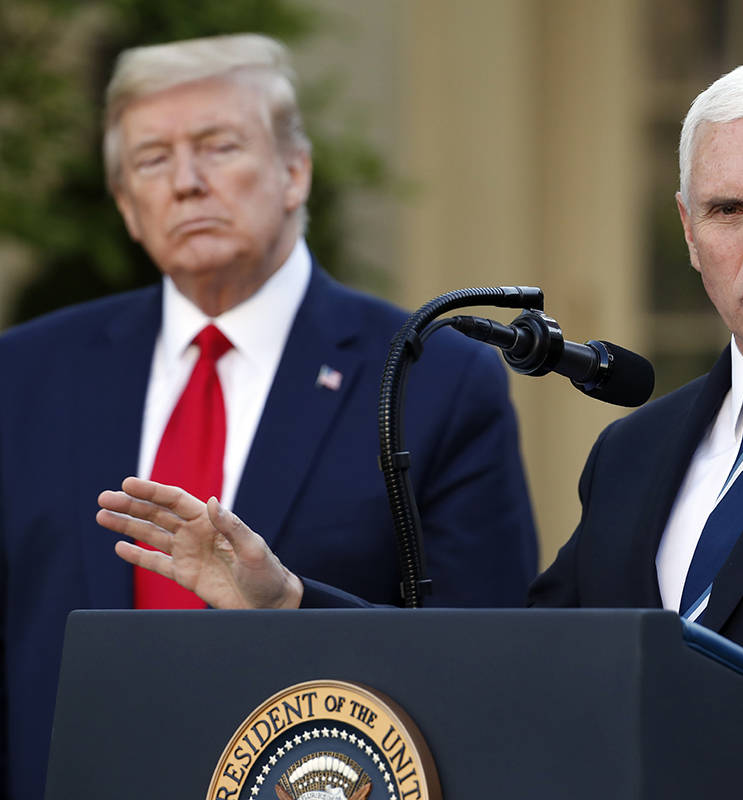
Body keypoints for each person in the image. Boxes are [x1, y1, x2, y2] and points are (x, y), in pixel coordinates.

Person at [96, 62, 743, 798]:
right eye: (726, 211)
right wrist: (287, 601)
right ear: (688, 230)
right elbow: (510, 671)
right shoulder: (636, 453)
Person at [0, 33, 538, 798]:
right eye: (152, 160)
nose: (186, 182)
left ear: (295, 172)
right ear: (126, 206)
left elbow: (490, 661)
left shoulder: (432, 379)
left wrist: (294, 605)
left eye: (219, 147)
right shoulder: (24, 375)